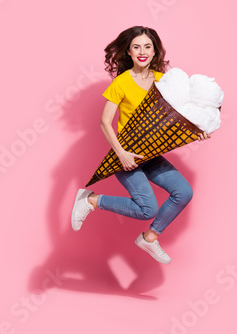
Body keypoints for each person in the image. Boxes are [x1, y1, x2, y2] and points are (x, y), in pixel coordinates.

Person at [70, 26, 211, 264]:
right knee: (148, 208)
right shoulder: (122, 82)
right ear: (129, 51)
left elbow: (176, 116)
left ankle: (150, 237)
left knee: (184, 192)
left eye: (148, 46)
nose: (142, 51)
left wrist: (197, 130)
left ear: (155, 51)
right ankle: (90, 200)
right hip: (126, 155)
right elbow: (105, 122)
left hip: (151, 153)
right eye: (137, 47)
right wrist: (122, 154)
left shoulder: (163, 81)